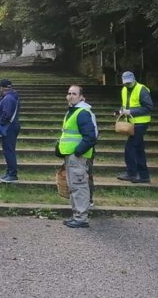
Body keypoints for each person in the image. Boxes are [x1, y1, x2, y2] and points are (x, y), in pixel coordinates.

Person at [56, 85, 98, 228]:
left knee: (79, 186)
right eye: (69, 93)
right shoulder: (73, 111)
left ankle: (81, 218)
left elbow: (91, 137)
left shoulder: (82, 112)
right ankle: (77, 215)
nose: (71, 96)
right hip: (72, 155)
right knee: (74, 186)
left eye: (74, 93)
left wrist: (77, 152)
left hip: (78, 156)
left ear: (81, 97)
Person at [117, 71, 153, 183]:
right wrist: (120, 111)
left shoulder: (141, 89)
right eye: (125, 83)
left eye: (129, 82)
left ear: (134, 79)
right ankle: (143, 176)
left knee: (130, 148)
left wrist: (130, 111)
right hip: (133, 123)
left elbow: (148, 107)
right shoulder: (124, 90)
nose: (127, 84)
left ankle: (132, 173)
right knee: (138, 149)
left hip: (141, 123)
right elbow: (125, 105)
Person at [0, 79, 21, 183]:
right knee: (9, 151)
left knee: (9, 151)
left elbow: (6, 114)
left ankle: (12, 174)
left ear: (2, 87)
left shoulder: (8, 98)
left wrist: (0, 124)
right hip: (12, 127)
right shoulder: (12, 97)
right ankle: (9, 172)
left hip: (9, 128)